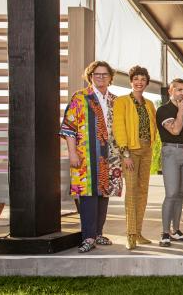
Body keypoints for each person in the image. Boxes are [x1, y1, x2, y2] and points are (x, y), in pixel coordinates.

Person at [59, 61, 121, 253]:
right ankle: (88, 236)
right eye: (97, 74)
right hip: (85, 155)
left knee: (103, 194)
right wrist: (72, 153)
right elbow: (69, 128)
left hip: (110, 155)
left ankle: (98, 233)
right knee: (87, 195)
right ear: (90, 76)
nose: (101, 77)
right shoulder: (80, 97)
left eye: (104, 74)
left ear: (110, 78)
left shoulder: (115, 101)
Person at [113, 65, 158, 250]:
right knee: (131, 191)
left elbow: (154, 127)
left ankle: (138, 233)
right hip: (130, 151)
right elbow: (119, 128)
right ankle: (130, 234)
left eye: (143, 79)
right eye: (136, 79)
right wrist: (125, 154)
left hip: (147, 150)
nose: (139, 82)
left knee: (143, 192)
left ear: (147, 83)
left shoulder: (150, 104)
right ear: (131, 81)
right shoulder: (122, 101)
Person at [155, 78, 183, 247]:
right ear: (170, 91)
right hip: (171, 153)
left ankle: (176, 230)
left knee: (180, 194)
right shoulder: (163, 110)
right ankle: (165, 233)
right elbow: (175, 130)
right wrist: (180, 111)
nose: (182, 93)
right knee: (171, 193)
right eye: (178, 89)